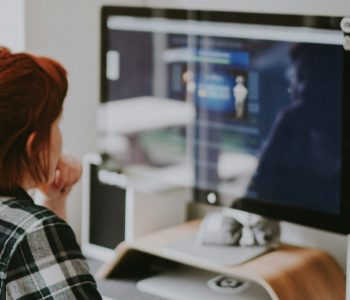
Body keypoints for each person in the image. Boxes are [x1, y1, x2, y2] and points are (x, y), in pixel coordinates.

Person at [0, 47, 102, 299]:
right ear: (34, 145)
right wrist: (44, 220)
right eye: (57, 123)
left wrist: (53, 201)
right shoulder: (30, 232)